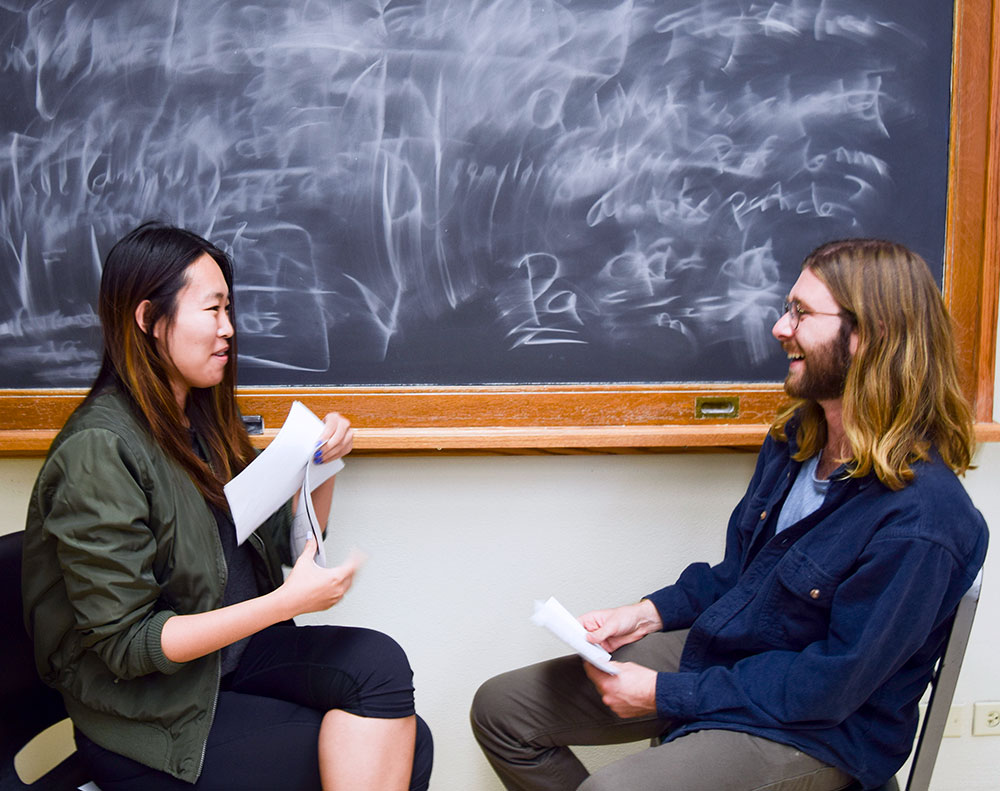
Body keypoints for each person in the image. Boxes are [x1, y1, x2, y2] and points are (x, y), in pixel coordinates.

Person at [470, 239, 988, 791]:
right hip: (739, 655)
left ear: (868, 337)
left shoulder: (924, 521)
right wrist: (645, 613)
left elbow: (831, 685)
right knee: (502, 711)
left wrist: (665, 695)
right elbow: (739, 578)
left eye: (802, 313)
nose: (779, 328)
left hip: (823, 731)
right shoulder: (796, 442)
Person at [22, 222, 432, 790]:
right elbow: (128, 645)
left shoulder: (203, 422)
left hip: (234, 662)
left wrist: (321, 468)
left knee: (380, 668)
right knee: (389, 746)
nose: (229, 330)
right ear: (148, 319)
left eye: (228, 310)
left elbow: (284, 551)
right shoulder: (99, 449)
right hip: (150, 709)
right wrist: (286, 603)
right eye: (212, 310)